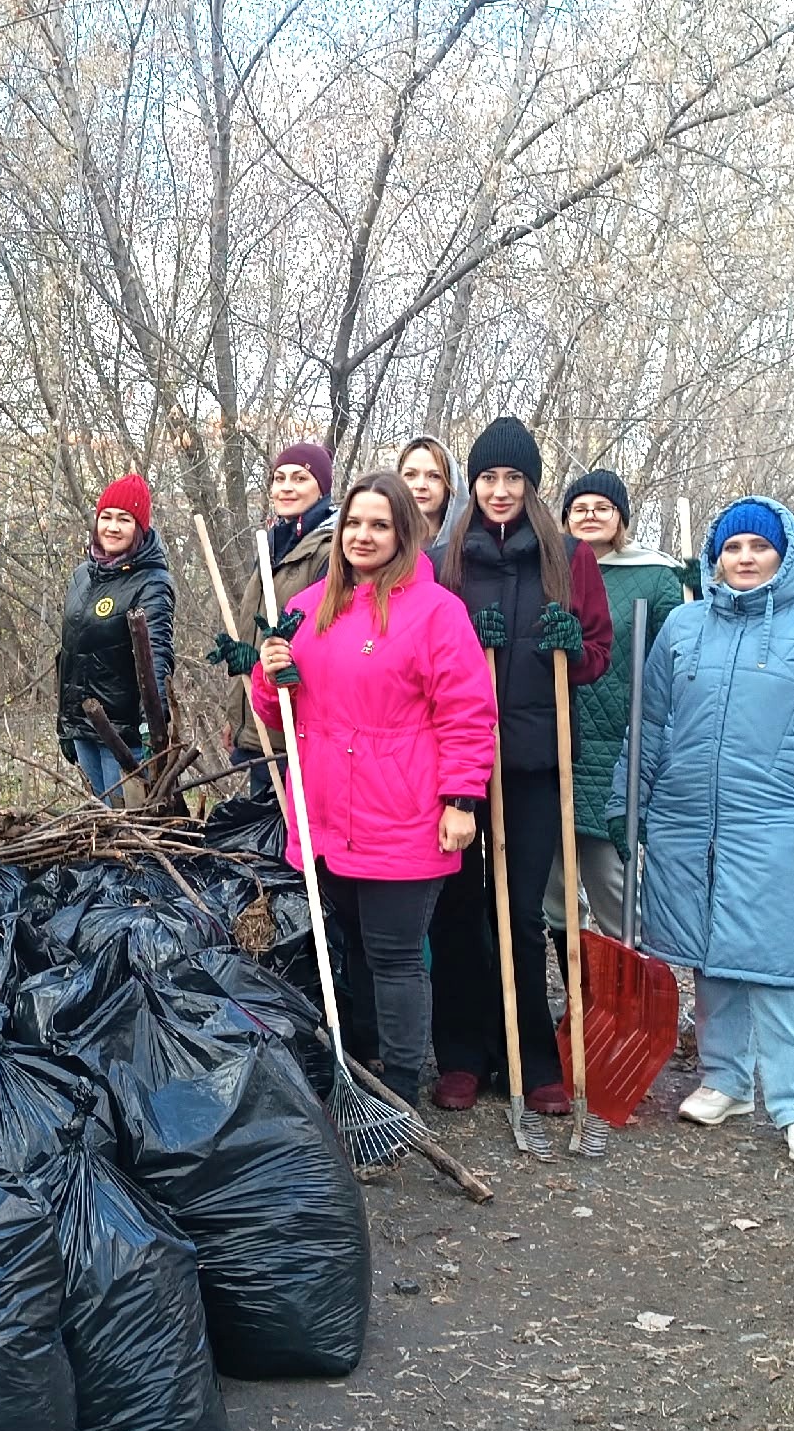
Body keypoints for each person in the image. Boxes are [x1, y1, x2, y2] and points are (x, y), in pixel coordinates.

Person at [614, 498, 794, 1164]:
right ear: (715, 558)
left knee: (782, 965)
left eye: (759, 547)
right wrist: (629, 803)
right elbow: (651, 724)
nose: (745, 559)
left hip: (780, 819)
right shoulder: (683, 628)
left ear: (786, 556)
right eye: (732, 549)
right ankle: (726, 1079)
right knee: (710, 957)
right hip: (689, 819)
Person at [253, 474, 494, 1106]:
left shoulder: (437, 612)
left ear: (403, 534)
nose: (363, 535)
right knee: (355, 951)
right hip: (329, 810)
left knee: (395, 957)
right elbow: (277, 712)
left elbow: (467, 712)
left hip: (403, 811)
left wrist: (462, 800)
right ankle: (361, 1076)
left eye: (379, 525)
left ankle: (401, 1091)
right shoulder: (309, 607)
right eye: (355, 523)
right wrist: (268, 672)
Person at [430, 414, 612, 1115]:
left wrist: (568, 646)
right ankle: (463, 1055)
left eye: (514, 478)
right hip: (459, 765)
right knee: (458, 910)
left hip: (536, 762)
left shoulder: (568, 558)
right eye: (488, 478)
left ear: (532, 486)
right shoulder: (447, 560)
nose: (500, 490)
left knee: (521, 914)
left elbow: (597, 653)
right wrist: (464, 642)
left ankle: (534, 1059)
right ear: (472, 485)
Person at [551, 468, 686, 937]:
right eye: (580, 508)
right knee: (553, 895)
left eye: (602, 508)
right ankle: (586, 999)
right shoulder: (551, 571)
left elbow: (681, 653)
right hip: (555, 741)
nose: (590, 516)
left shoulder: (655, 576)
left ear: (620, 517)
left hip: (617, 749)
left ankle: (636, 989)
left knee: (613, 884)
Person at [208, 443, 338, 799]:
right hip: (260, 720)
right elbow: (256, 629)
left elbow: (324, 643)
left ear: (322, 488)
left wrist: (264, 665)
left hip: (298, 731)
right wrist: (238, 715)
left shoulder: (330, 551)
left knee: (293, 845)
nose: (286, 487)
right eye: (279, 478)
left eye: (300, 478)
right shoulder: (273, 544)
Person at [54, 475, 175, 801]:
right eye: (106, 517)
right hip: (82, 726)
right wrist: (65, 722)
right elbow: (69, 652)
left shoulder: (151, 582)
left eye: (125, 519)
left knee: (127, 827)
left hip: (124, 733)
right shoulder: (83, 576)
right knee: (99, 827)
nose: (112, 527)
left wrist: (154, 722)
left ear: (140, 528)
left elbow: (158, 655)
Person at [397, 436, 468, 547]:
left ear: (449, 484)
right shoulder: (380, 549)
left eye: (434, 476)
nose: (420, 486)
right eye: (410, 475)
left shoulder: (467, 550)